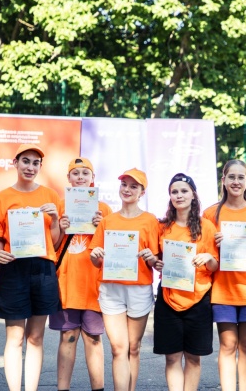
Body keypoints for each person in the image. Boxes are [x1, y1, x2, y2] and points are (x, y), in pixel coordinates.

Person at [0, 144, 62, 391]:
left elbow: (55, 242)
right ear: (15, 163)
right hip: (14, 269)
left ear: (40, 166)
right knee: (15, 337)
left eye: (35, 163)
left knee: (35, 337)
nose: (30, 167)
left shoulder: (51, 196)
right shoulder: (1, 198)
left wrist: (55, 220)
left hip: (43, 270)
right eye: (26, 161)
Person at [202, 159, 246, 391]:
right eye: (231, 177)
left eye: (241, 177)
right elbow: (205, 252)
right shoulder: (210, 213)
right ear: (223, 180)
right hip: (223, 289)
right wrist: (215, 244)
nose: (236, 181)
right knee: (228, 345)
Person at [89, 168, 160, 391]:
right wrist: (95, 255)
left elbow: (156, 260)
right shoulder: (107, 221)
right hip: (111, 289)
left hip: (139, 289)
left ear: (142, 192)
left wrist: (151, 258)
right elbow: (96, 260)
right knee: (118, 349)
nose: (127, 189)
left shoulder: (150, 221)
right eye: (124, 185)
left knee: (133, 347)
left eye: (133, 186)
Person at [50, 157, 112, 391]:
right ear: (68, 178)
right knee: (68, 336)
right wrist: (60, 227)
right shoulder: (59, 206)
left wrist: (101, 226)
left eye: (85, 173)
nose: (80, 177)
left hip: (94, 283)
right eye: (75, 173)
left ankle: (98, 388)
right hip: (66, 282)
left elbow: (113, 248)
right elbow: (52, 246)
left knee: (93, 338)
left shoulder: (103, 209)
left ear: (93, 178)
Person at [154, 173, 219, 391]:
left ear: (193, 195)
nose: (179, 195)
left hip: (198, 300)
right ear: (170, 196)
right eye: (174, 192)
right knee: (172, 358)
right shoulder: (162, 227)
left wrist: (208, 258)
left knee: (193, 357)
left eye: (184, 191)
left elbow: (214, 266)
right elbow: (156, 260)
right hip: (168, 299)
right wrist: (156, 263)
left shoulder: (206, 227)